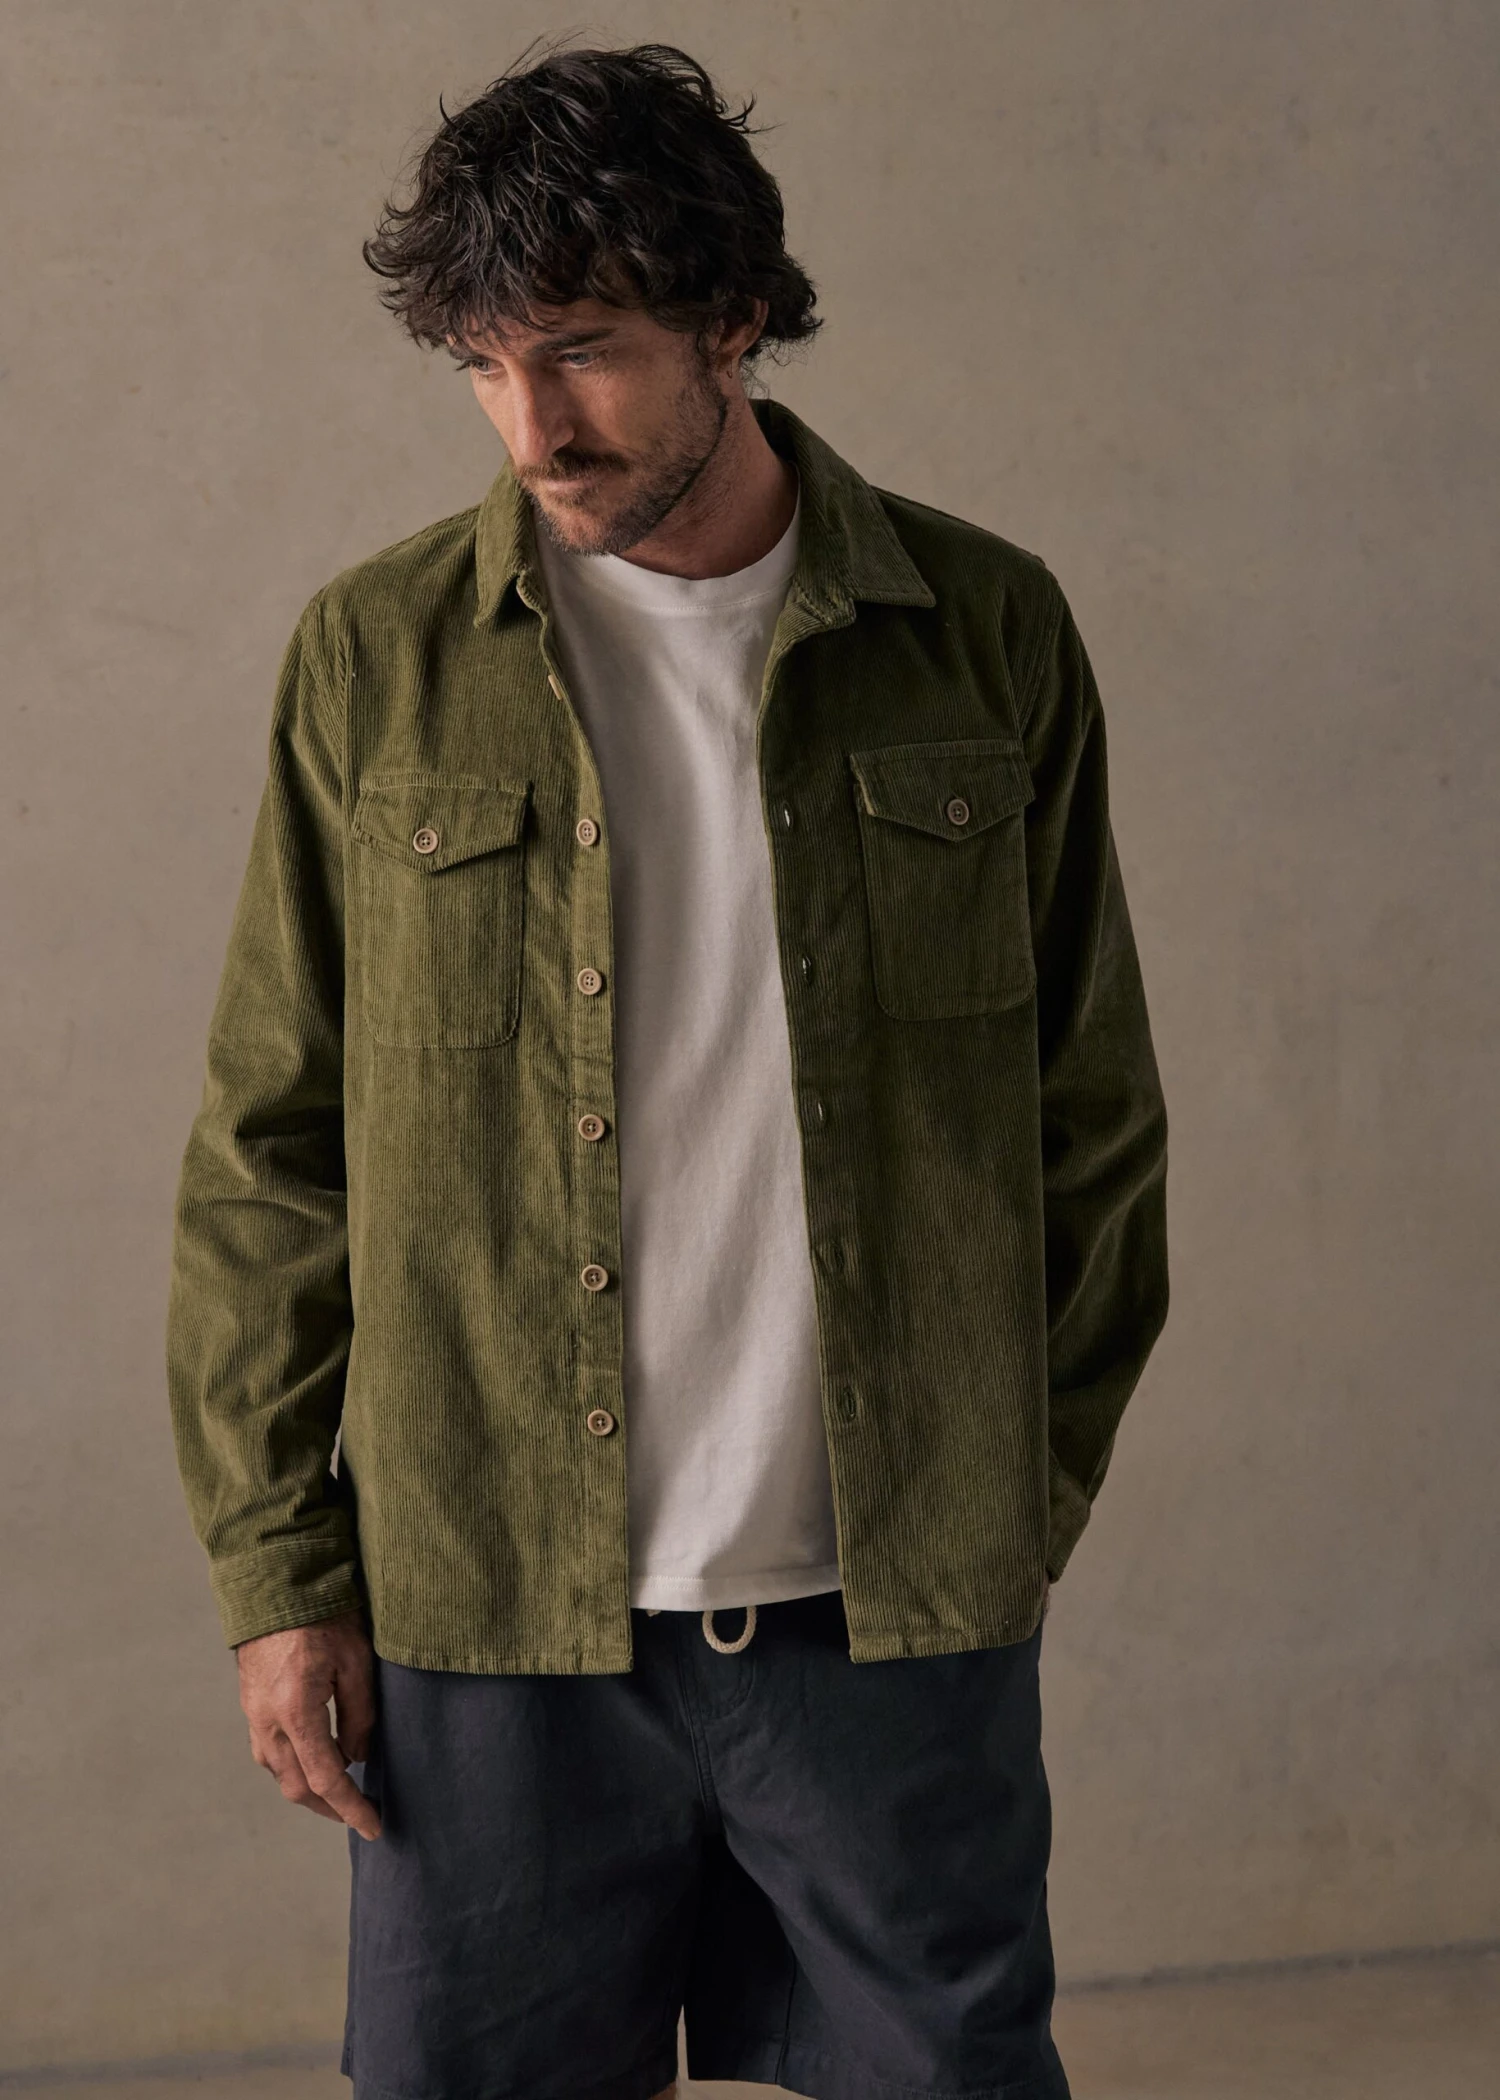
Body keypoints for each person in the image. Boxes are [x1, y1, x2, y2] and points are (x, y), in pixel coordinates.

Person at [167, 40, 1168, 2100]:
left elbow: (1092, 1125)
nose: (531, 423)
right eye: (483, 363)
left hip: (882, 1611)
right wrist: (280, 1577)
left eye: (585, 352)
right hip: (491, 1615)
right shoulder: (377, 660)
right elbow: (272, 1153)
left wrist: (1003, 1506)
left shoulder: (983, 633)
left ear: (736, 318)